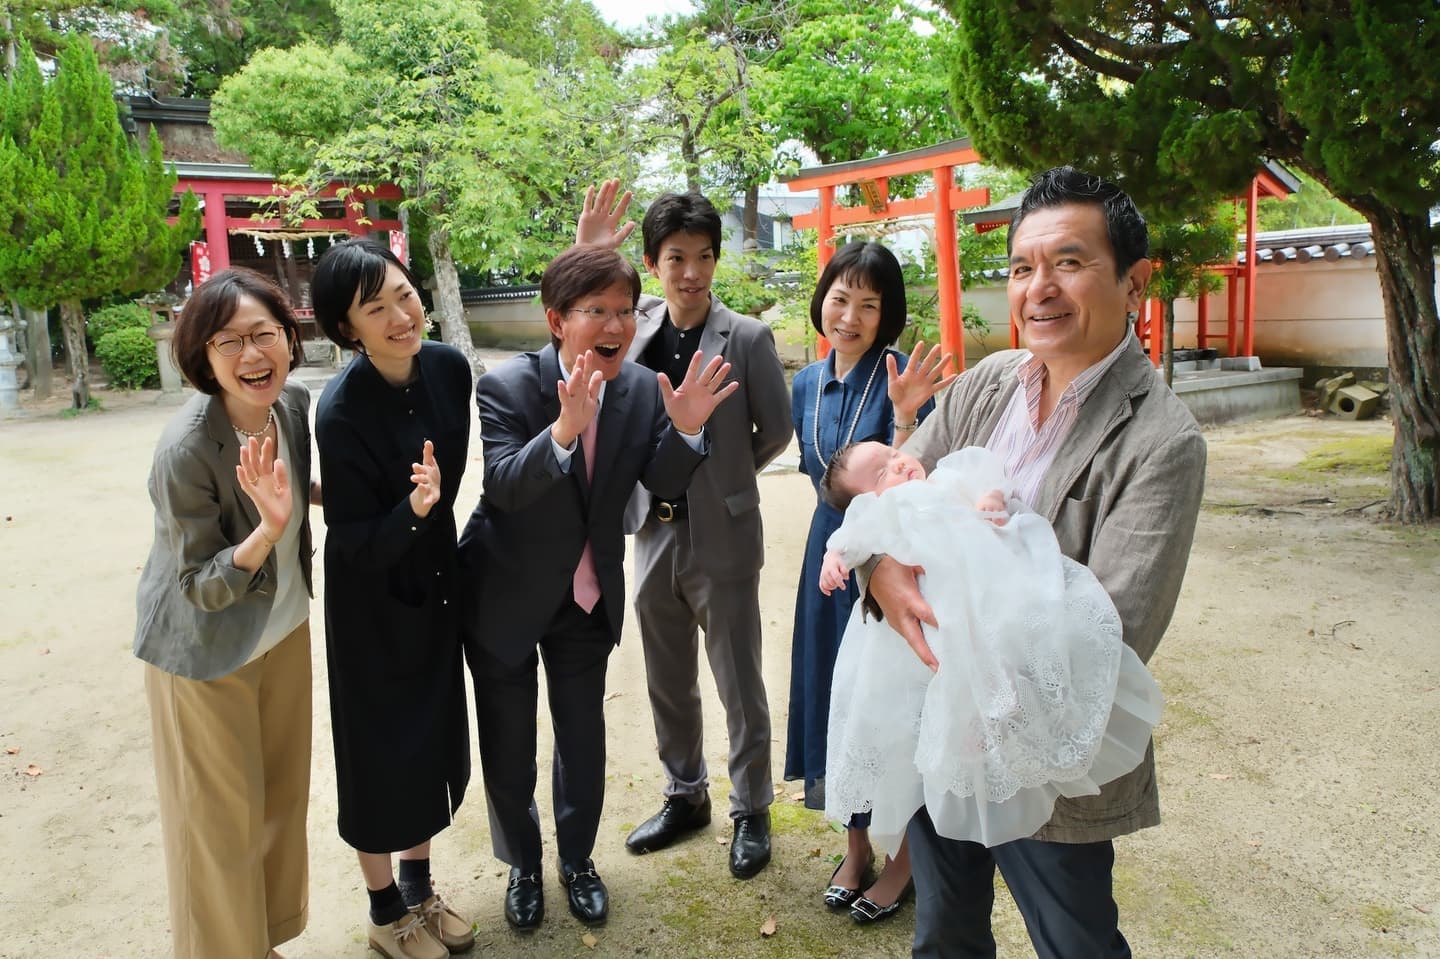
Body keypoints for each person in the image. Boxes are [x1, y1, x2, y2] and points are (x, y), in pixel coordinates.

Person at [864, 166, 1207, 958]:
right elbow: (890, 496)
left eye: (1070, 262)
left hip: (1048, 752)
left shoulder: (1162, 440)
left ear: (1135, 279)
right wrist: (882, 566)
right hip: (937, 720)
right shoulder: (986, 384)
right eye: (1023, 268)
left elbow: (1116, 627)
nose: (1039, 289)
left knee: (1074, 940)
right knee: (944, 932)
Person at [457, 244, 737, 932]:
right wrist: (562, 431)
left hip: (586, 595)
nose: (614, 325)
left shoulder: (641, 388)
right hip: (505, 592)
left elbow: (662, 481)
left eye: (622, 311)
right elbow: (503, 484)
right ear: (557, 319)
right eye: (595, 311)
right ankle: (524, 864)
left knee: (583, 738)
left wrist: (689, 429)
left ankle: (577, 861)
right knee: (510, 743)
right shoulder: (506, 387)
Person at [575, 182, 793, 878]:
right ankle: (685, 793)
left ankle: (751, 807)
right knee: (667, 676)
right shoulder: (633, 328)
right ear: (652, 261)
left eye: (703, 256)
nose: (691, 272)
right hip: (652, 529)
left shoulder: (748, 337)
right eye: (675, 257)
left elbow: (776, 430)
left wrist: (722, 478)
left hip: (722, 535)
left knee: (738, 676)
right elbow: (577, 311)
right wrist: (585, 251)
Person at [816, 442, 1162, 853]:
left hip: (989, 588)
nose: (899, 463)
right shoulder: (881, 513)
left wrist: (990, 497)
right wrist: (834, 558)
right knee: (947, 670)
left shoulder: (944, 479)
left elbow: (984, 477)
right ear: (868, 498)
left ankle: (1013, 718)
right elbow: (849, 538)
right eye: (881, 474)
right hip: (942, 612)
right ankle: (971, 733)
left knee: (1009, 645)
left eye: (893, 453)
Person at [134, 268, 316, 959]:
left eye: (264, 333)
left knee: (277, 802)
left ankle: (259, 941)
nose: (251, 355)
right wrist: (267, 532)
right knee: (217, 824)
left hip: (282, 629)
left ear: (287, 337)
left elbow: (296, 487)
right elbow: (197, 584)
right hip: (205, 649)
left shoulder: (293, 406)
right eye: (229, 341)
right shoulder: (185, 449)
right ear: (202, 357)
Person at [310, 239, 474, 959]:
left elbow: (450, 488)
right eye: (375, 309)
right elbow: (349, 538)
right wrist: (414, 511)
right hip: (370, 602)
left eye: (402, 294)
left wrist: (427, 519)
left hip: (434, 584)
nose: (399, 315)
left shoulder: (448, 369)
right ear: (348, 328)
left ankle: (418, 888)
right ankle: (383, 912)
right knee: (379, 754)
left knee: (429, 741)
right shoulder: (340, 410)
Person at [786, 240, 954, 923]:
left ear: (887, 317)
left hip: (889, 566)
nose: (849, 315)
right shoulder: (804, 381)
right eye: (839, 296)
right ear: (822, 296)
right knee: (839, 702)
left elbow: (924, 479)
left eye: (869, 304)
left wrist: (911, 416)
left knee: (896, 710)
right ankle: (854, 847)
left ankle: (908, 860)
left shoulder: (897, 377)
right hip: (826, 564)